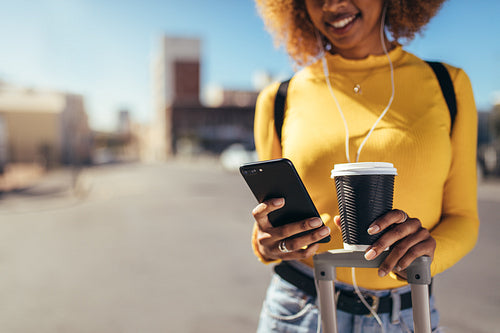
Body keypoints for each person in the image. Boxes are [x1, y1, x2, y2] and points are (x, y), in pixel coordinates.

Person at [250, 0, 479, 332]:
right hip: (298, 312)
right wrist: (266, 242)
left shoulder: (448, 84)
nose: (332, 4)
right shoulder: (277, 99)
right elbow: (269, 223)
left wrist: (428, 253)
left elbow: (464, 217)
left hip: (405, 314)